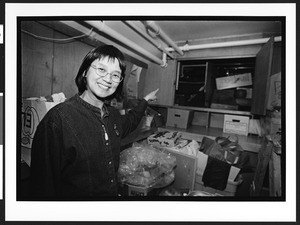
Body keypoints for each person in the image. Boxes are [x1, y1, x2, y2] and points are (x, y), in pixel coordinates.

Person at [29, 45, 159, 200]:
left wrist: (145, 100)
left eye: (115, 75)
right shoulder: (58, 120)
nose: (108, 79)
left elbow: (131, 121)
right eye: (101, 70)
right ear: (85, 71)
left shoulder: (113, 115)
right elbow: (43, 187)